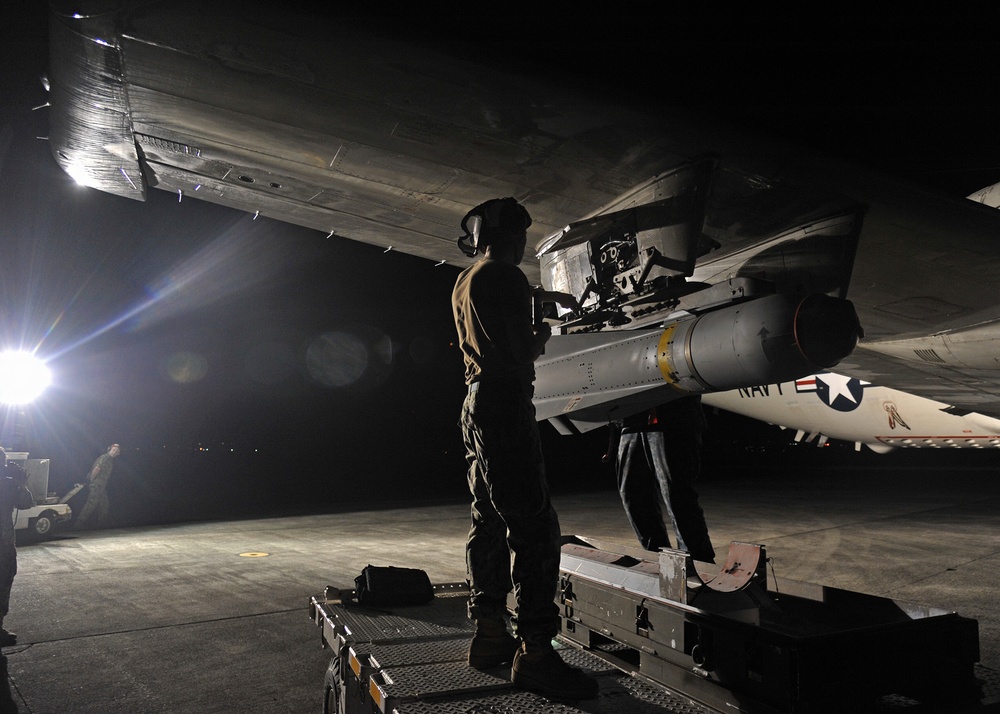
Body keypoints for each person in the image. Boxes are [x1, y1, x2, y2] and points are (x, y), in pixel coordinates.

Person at [452, 197, 597, 699]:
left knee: (487, 519)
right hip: (506, 403)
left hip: (474, 402)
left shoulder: (466, 279)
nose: (525, 245)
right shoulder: (506, 277)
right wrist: (543, 330)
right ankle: (537, 651)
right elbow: (519, 348)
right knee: (534, 527)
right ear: (512, 236)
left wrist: (530, 299)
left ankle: (489, 632)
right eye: (522, 237)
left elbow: (490, 327)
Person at [614, 396, 716, 565]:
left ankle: (698, 561)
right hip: (632, 423)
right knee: (632, 494)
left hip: (672, 419)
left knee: (676, 495)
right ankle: (657, 557)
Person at [0, 461, 34, 646]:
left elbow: (25, 504)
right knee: (3, 581)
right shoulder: (8, 484)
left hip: (4, 543)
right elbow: (26, 503)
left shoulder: (7, 483)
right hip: (3, 545)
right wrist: (21, 482)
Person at [76, 443, 120, 529]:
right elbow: (97, 468)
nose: (115, 452)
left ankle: (101, 524)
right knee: (91, 504)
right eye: (114, 450)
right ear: (109, 449)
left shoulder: (109, 459)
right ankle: (78, 524)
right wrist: (91, 480)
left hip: (101, 486)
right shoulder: (106, 458)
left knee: (104, 504)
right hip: (97, 485)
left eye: (117, 452)